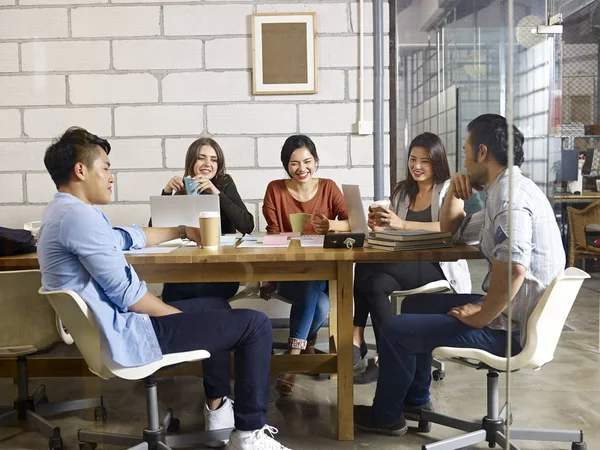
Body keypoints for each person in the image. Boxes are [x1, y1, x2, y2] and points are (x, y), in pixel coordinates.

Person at [37, 127, 290, 450]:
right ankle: (249, 435)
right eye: (106, 168)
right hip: (131, 333)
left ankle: (220, 407)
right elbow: (129, 296)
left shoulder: (63, 213)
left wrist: (181, 229)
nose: (111, 177)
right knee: (256, 325)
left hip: (114, 328)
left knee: (217, 305)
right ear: (81, 170)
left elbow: (129, 237)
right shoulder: (80, 219)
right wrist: (175, 316)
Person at [354, 114, 565, 437]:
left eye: (466, 152)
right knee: (412, 308)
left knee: (396, 327)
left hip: (510, 329)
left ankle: (385, 416)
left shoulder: (511, 198)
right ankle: (416, 400)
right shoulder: (504, 191)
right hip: (513, 315)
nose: (464, 161)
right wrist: (454, 189)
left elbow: (514, 268)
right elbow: (455, 232)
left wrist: (481, 316)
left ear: (482, 152)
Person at [352, 132, 471, 385]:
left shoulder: (449, 189)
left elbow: (450, 230)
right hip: (405, 263)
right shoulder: (403, 191)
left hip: (437, 266)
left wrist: (402, 224)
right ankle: (386, 355)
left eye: (425, 161)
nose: (416, 166)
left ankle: (358, 336)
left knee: (366, 264)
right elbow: (397, 229)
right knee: (372, 281)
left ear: (437, 161)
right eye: (412, 159)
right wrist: (381, 224)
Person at [261, 134, 349, 396]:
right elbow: (273, 235)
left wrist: (331, 225)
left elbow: (352, 222)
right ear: (286, 165)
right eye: (294, 163)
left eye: (308, 161)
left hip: (322, 272)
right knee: (320, 301)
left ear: (317, 162)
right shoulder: (275, 189)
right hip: (288, 273)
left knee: (314, 283)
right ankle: (301, 350)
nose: (302, 169)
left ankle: (292, 357)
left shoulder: (329, 188)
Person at [157, 137, 254, 302]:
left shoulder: (224, 183)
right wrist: (166, 193)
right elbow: (156, 232)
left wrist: (216, 192)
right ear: (191, 161)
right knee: (174, 289)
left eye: (214, 159)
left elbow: (247, 225)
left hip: (220, 268)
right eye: (202, 157)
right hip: (186, 268)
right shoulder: (182, 187)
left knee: (197, 289)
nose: (208, 163)